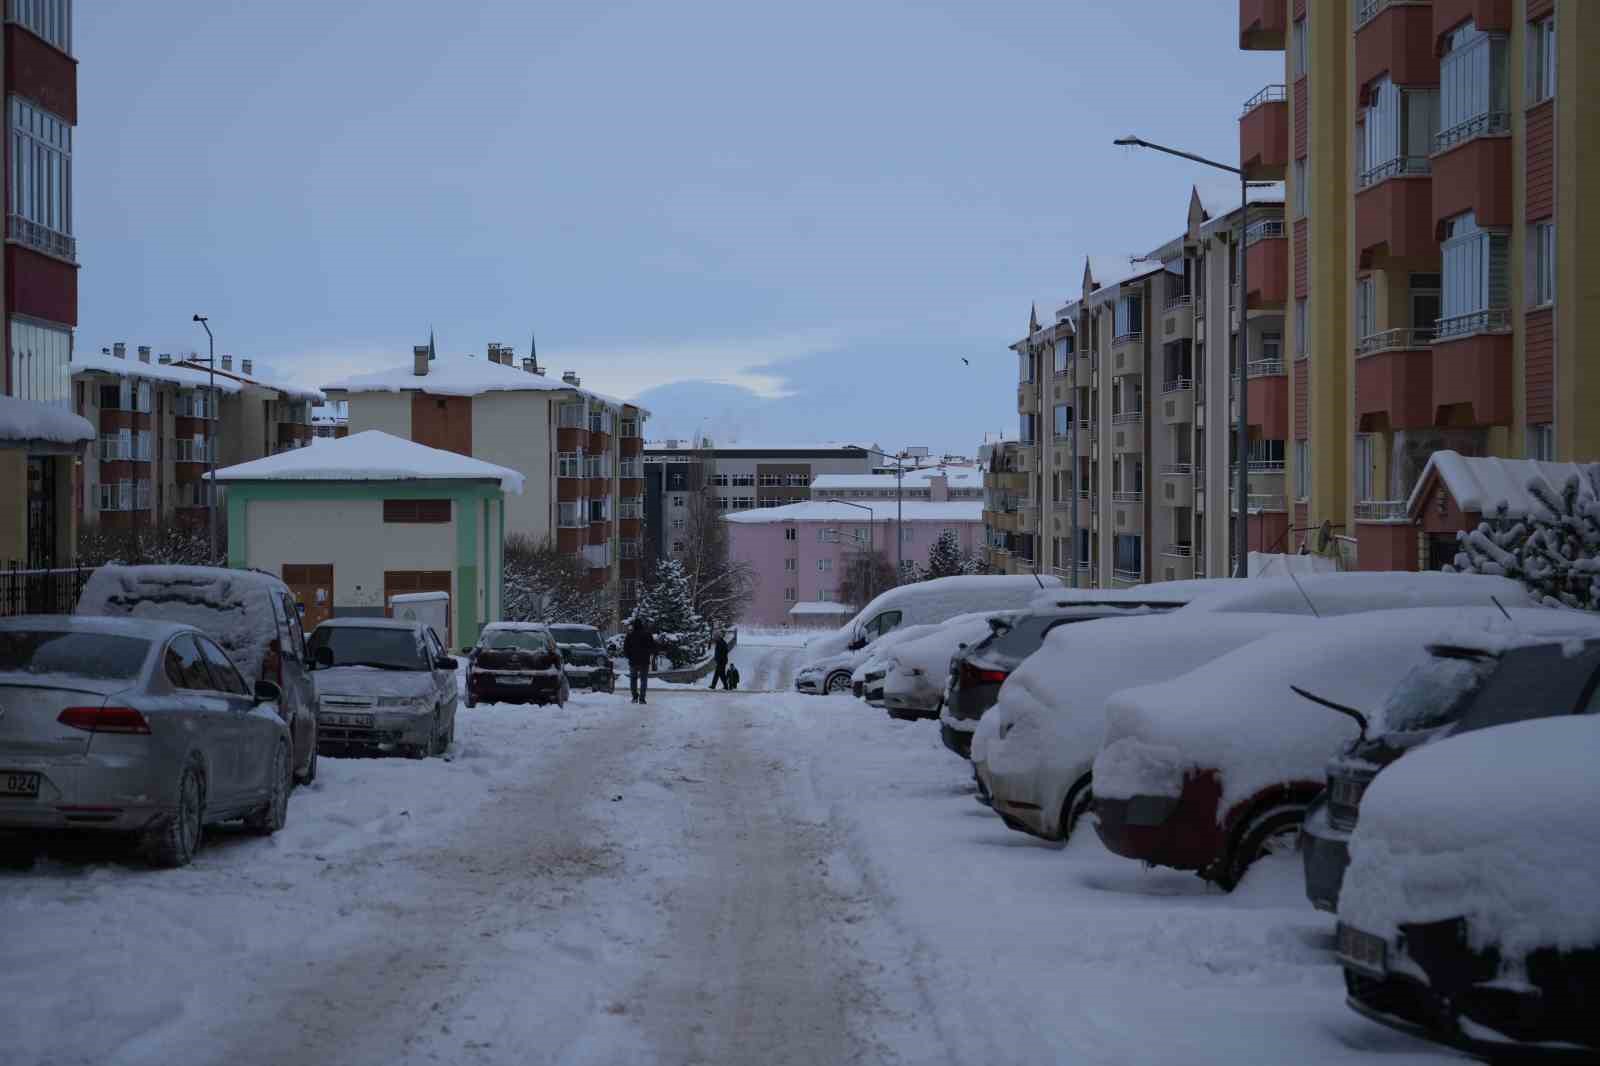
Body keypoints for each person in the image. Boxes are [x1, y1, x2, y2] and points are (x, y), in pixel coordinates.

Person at [623, 617, 656, 704]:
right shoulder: (647, 634)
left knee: (633, 679)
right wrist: (648, 653)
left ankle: (634, 697)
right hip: (644, 661)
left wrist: (629, 656)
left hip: (633, 661)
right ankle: (642, 698)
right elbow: (652, 647)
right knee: (643, 680)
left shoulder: (630, 635)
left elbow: (625, 648)